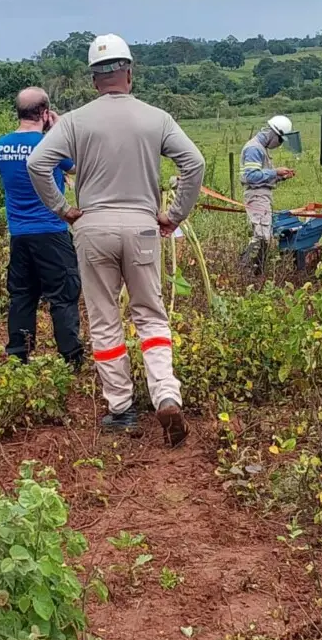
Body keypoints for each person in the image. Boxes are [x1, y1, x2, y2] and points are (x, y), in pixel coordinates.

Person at [27, 34, 205, 445]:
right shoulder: (156, 118)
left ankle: (121, 409)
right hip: (143, 226)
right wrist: (174, 214)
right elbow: (193, 163)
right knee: (151, 315)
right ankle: (165, 394)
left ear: (94, 80)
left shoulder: (74, 120)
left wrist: (62, 209)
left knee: (106, 319)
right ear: (129, 71)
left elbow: (39, 164)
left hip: (93, 228)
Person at [0, 87, 83, 368]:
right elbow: (75, 168)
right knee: (63, 295)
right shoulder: (50, 145)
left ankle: (19, 355)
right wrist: (59, 131)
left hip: (19, 235)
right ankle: (71, 357)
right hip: (51, 230)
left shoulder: (1, 146)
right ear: (45, 113)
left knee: (22, 295)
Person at [240, 115, 297, 272]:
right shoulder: (254, 149)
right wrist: (274, 171)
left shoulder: (261, 149)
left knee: (264, 237)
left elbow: (261, 177)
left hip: (262, 195)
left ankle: (256, 271)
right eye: (279, 140)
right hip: (257, 196)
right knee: (261, 237)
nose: (279, 145)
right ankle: (245, 270)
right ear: (273, 134)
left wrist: (280, 177)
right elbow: (251, 176)